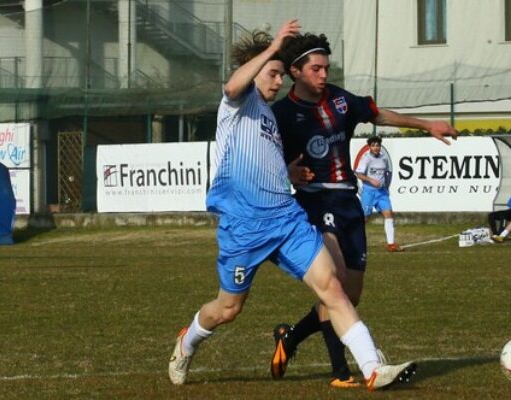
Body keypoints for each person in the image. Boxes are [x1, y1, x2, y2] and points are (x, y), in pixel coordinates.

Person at [167, 21, 415, 392]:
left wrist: (287, 173)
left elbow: (265, 165)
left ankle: (372, 367)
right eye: (273, 73)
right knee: (227, 310)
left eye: (282, 74)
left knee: (332, 286)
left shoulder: (269, 116)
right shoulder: (237, 104)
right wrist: (272, 50)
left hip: (286, 220)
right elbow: (232, 85)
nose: (278, 81)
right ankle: (186, 343)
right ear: (255, 70)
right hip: (243, 227)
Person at [269, 32, 457, 388]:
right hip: (313, 201)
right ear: (295, 71)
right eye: (315, 69)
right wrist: (286, 172)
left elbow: (379, 115)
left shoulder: (340, 100)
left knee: (349, 295)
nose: (323, 75)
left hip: (349, 205)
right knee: (333, 280)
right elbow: (262, 161)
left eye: (326, 67)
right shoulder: (281, 113)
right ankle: (341, 372)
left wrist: (427, 125)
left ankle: (290, 337)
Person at [355, 135, 403, 252]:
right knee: (365, 218)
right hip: (369, 192)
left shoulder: (383, 158)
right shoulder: (366, 158)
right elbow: (358, 174)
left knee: (388, 214)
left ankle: (391, 244)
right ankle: (355, 243)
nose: (376, 148)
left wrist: (386, 186)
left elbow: (386, 172)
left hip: (382, 193)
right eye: (373, 145)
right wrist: (371, 180)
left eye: (378, 145)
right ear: (369, 147)